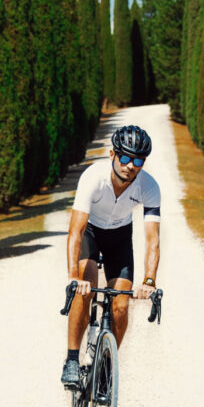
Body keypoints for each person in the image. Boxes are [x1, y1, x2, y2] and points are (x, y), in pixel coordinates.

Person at [61, 123, 161, 388]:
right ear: (113, 154)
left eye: (138, 160)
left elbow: (152, 239)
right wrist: (73, 277)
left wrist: (149, 281)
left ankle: (105, 367)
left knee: (120, 304)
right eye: (126, 157)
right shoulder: (93, 178)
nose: (131, 165)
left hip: (119, 236)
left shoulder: (148, 187)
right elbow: (75, 231)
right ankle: (72, 359)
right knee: (87, 286)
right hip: (91, 232)